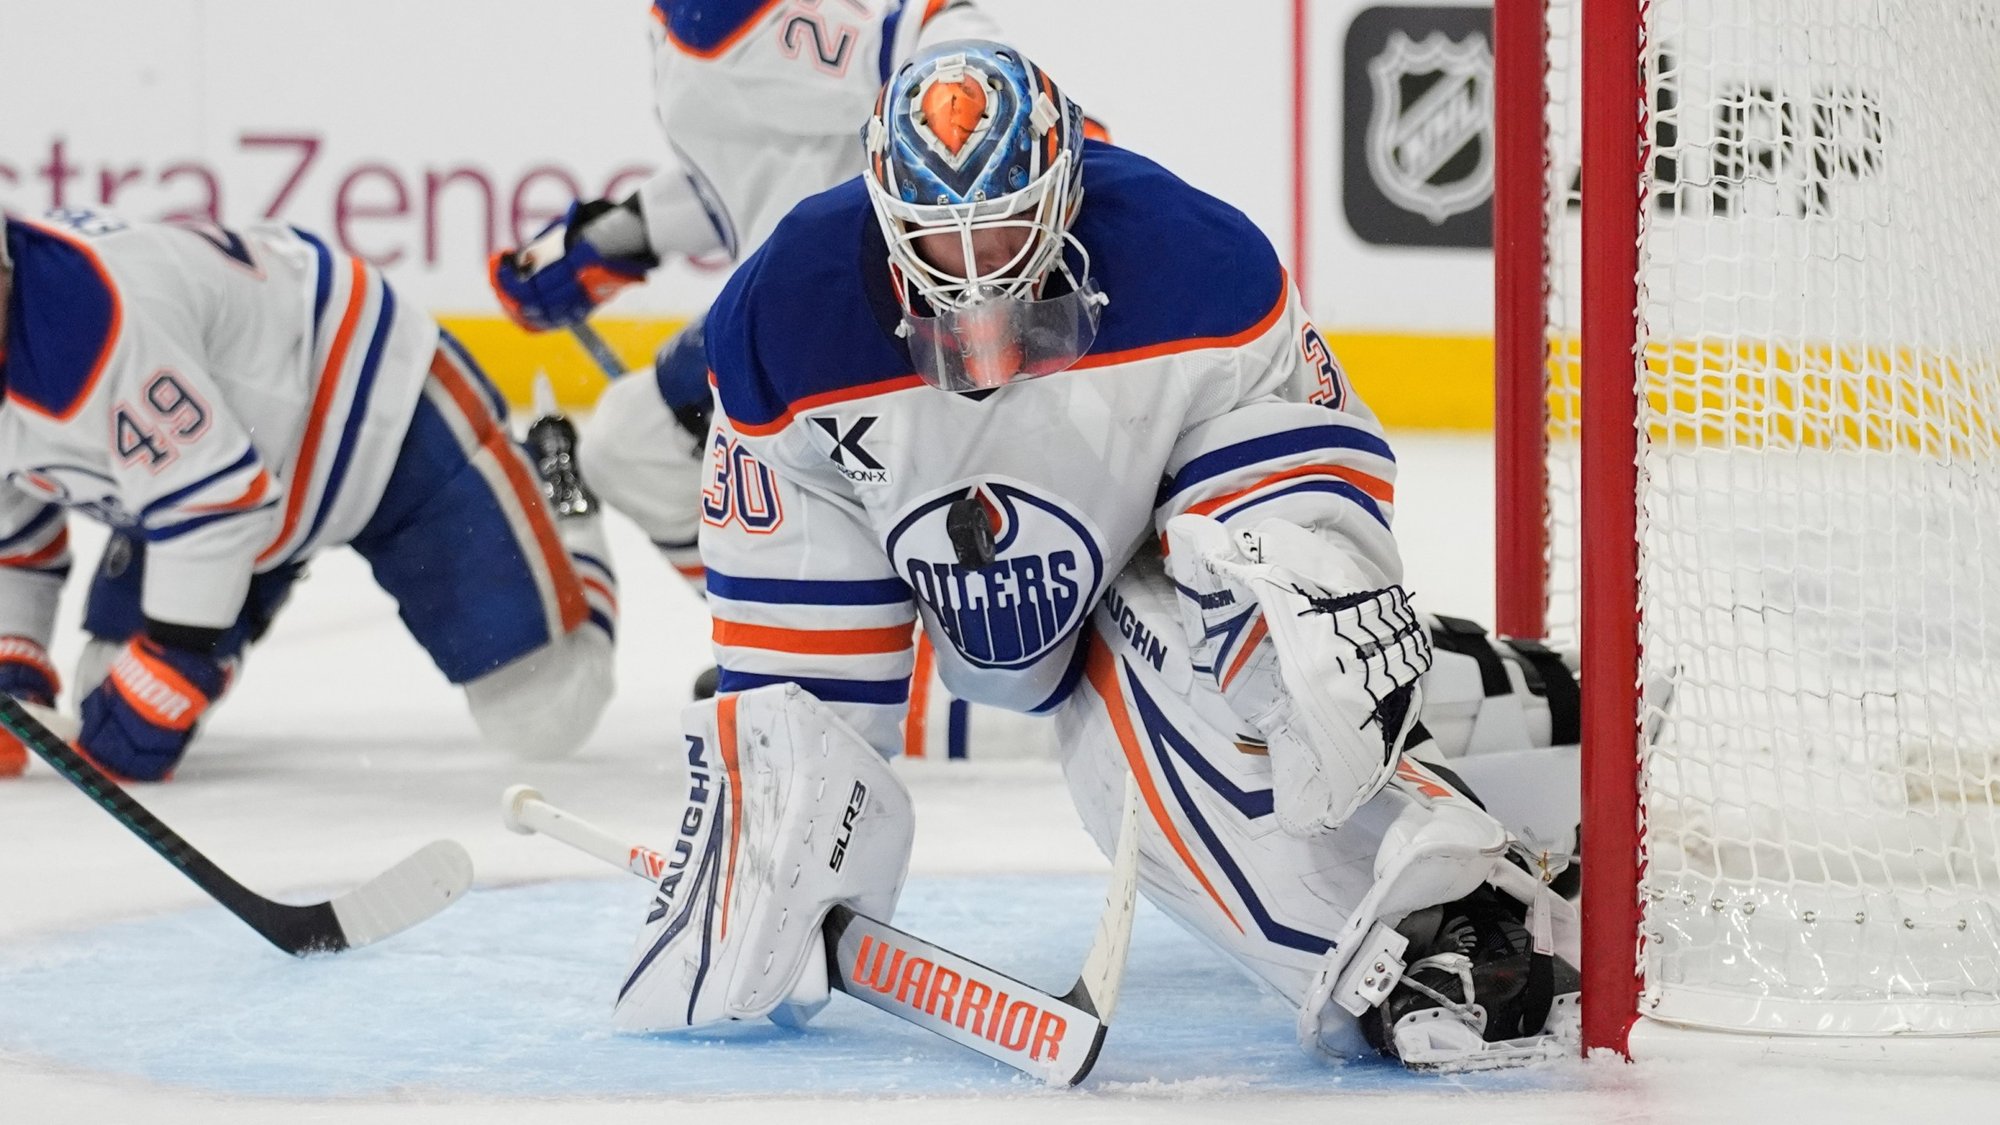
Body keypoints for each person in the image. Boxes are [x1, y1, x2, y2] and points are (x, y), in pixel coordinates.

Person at [606, 41, 1579, 1069]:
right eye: (938, 240)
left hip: (1151, 568)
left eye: (1002, 227)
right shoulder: (784, 318)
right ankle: (1503, 702)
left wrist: (1308, 643)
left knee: (1272, 670)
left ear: (1066, 193)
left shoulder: (1195, 265)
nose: (974, 269)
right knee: (805, 773)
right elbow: (805, 680)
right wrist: (776, 834)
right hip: (999, 626)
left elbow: (1291, 528)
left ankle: (1441, 924)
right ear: (886, 219)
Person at [0, 208, 618, 781]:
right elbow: (14, 537)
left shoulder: (86, 320)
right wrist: (14, 659)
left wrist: (178, 660)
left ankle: (560, 501)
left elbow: (214, 508)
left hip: (376, 414)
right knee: (104, 694)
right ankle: (253, 585)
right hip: (221, 468)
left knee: (545, 715)